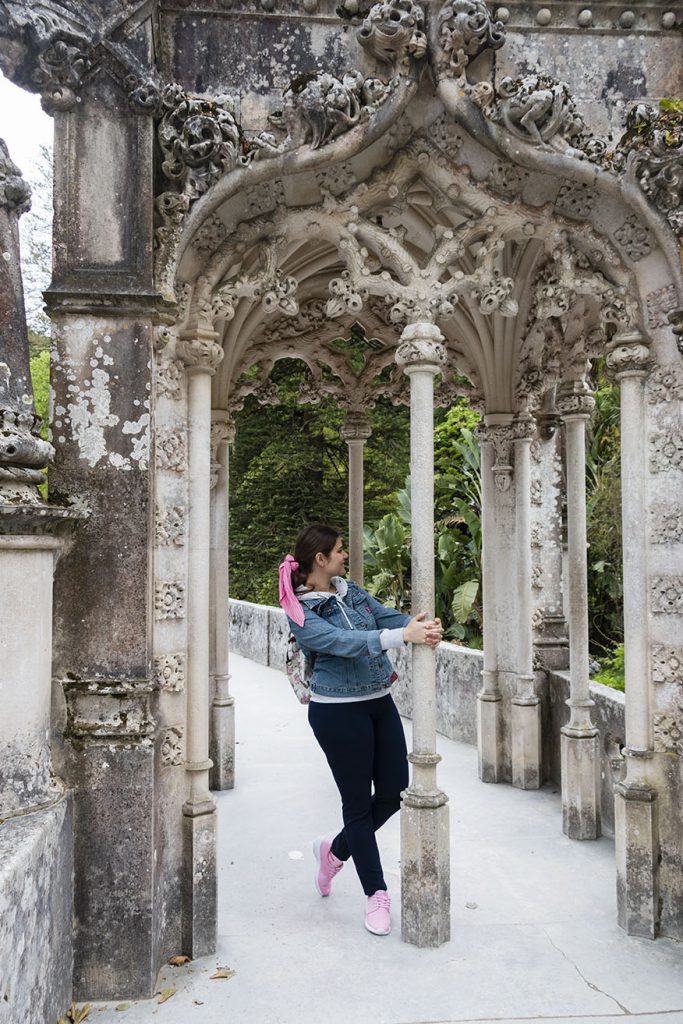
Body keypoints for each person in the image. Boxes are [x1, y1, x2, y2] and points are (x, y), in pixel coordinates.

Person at [278, 523, 443, 936]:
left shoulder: (349, 591)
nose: (344, 555)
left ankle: (333, 853)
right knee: (356, 804)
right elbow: (342, 642)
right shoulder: (302, 611)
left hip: (378, 702)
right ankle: (376, 894)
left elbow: (384, 616)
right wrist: (399, 636)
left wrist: (418, 626)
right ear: (320, 559)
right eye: (338, 550)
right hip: (337, 712)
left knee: (392, 792)